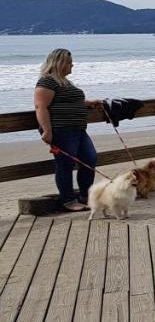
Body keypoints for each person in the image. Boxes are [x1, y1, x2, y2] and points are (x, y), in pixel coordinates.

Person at [33, 48, 100, 212]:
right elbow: (41, 107)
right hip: (61, 130)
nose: (72, 65)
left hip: (78, 129)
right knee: (65, 164)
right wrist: (47, 131)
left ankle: (85, 195)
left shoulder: (65, 81)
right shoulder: (47, 81)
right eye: (69, 62)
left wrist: (88, 103)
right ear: (60, 63)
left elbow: (68, 101)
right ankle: (68, 200)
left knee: (90, 159)